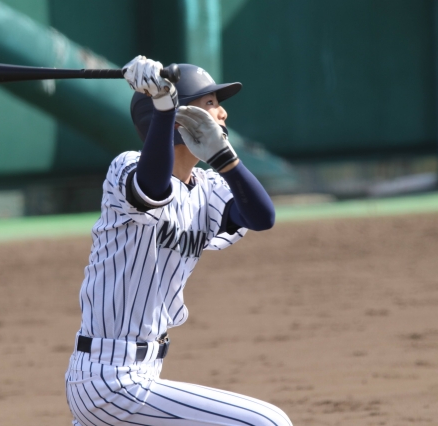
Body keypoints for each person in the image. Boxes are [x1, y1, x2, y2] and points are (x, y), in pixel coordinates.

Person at [65, 56, 292, 426]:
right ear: (181, 118)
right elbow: (152, 187)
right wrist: (164, 110)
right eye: (210, 103)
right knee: (267, 422)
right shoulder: (126, 168)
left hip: (141, 376)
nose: (223, 113)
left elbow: (261, 217)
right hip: (109, 380)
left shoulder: (208, 188)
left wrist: (225, 159)